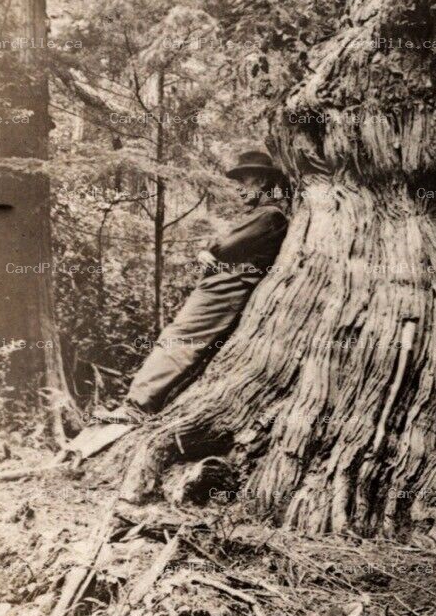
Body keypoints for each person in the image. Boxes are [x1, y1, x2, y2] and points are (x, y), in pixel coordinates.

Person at [98, 148, 292, 423]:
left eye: (244, 182)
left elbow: (225, 246)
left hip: (225, 291)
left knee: (180, 339)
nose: (238, 189)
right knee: (177, 337)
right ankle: (143, 403)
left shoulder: (269, 215)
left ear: (261, 182)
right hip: (220, 288)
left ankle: (137, 406)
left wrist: (210, 250)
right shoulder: (261, 215)